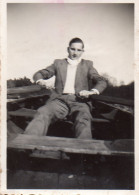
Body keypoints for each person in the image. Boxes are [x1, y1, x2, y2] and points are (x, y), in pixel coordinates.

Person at [24, 38, 107, 139]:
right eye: (73, 49)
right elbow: (39, 74)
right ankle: (27, 144)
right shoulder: (58, 63)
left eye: (78, 50)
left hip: (80, 102)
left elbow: (101, 81)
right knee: (42, 112)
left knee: (83, 118)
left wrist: (91, 92)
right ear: (68, 49)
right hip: (59, 101)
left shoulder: (88, 65)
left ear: (82, 51)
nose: (75, 53)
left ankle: (83, 152)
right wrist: (41, 81)